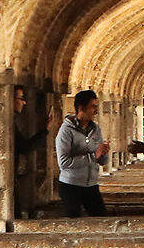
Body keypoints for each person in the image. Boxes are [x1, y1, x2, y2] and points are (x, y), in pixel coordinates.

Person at [53, 88, 109, 217]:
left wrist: (104, 152)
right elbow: (63, 163)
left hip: (91, 184)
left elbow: (102, 161)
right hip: (71, 185)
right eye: (92, 107)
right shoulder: (66, 131)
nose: (96, 111)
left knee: (101, 220)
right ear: (81, 107)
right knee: (74, 223)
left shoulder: (96, 130)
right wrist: (93, 156)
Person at [11, 86, 46, 219]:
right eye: (21, 98)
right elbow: (24, 147)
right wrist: (44, 132)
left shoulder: (10, 121)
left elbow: (23, 146)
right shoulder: (7, 122)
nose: (24, 102)